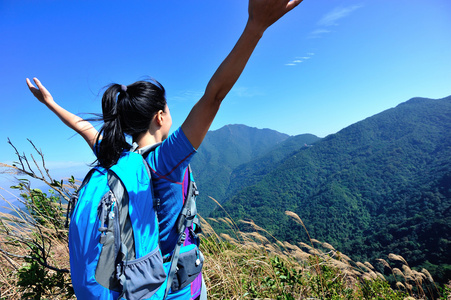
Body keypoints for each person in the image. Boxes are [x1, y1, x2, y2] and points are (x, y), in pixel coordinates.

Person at [26, 0, 303, 298]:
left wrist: (51, 104)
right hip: (180, 291)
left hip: (139, 288)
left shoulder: (117, 157)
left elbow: (85, 128)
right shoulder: (165, 161)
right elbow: (214, 96)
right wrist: (255, 27)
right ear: (160, 116)